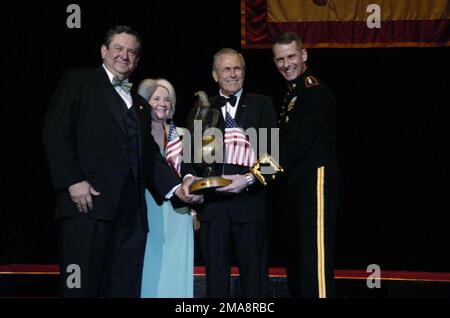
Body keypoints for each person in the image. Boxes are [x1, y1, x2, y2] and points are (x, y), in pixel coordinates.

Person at [42, 25, 201, 298]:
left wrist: (179, 189)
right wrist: (72, 180)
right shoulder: (78, 81)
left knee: (123, 289)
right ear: (104, 51)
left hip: (131, 217)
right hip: (88, 205)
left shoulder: (139, 103)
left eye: (131, 51)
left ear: (137, 60)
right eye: (118, 48)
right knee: (82, 289)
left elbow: (150, 157)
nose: (124, 55)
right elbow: (55, 132)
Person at [197, 48, 278, 297]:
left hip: (250, 204)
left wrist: (246, 180)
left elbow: (273, 159)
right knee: (215, 285)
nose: (232, 74)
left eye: (237, 68)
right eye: (226, 69)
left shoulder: (262, 103)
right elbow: (192, 161)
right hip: (213, 209)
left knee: (255, 284)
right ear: (214, 75)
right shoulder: (202, 109)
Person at [272, 32, 338, 298]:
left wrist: (254, 175)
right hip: (296, 186)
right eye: (280, 59)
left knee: (315, 262)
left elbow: (292, 147)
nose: (286, 64)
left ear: (303, 54)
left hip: (315, 184)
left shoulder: (314, 92)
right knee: (299, 261)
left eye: (291, 56)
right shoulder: (293, 94)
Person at [137, 78, 195, 298]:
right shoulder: (137, 133)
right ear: (144, 102)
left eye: (167, 99)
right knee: (149, 263)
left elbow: (189, 168)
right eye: (156, 98)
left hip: (179, 212)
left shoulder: (182, 133)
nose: (162, 103)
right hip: (146, 207)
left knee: (176, 265)